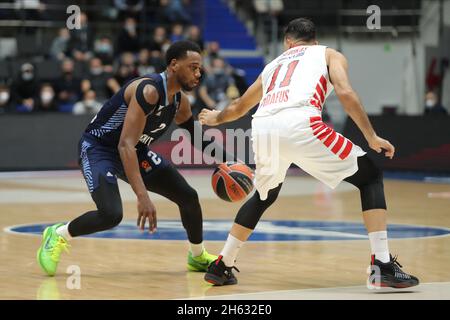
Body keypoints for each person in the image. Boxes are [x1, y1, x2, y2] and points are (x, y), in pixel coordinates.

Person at [199, 18, 419, 289]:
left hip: (263, 126)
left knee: (264, 195)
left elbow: (240, 106)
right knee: (370, 176)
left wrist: (215, 118)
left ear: (288, 42)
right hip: (302, 122)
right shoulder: (329, 54)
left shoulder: (273, 65)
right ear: (314, 39)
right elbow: (346, 93)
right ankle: (382, 265)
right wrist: (371, 136)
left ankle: (222, 265)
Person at [36, 40, 232, 277]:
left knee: (188, 196)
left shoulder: (180, 102)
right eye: (193, 67)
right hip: (100, 149)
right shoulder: (148, 91)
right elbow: (125, 144)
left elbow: (197, 139)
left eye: (200, 68)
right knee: (111, 214)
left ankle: (197, 256)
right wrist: (143, 196)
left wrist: (231, 161)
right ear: (173, 65)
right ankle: (57, 235)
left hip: (135, 152)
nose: (198, 73)